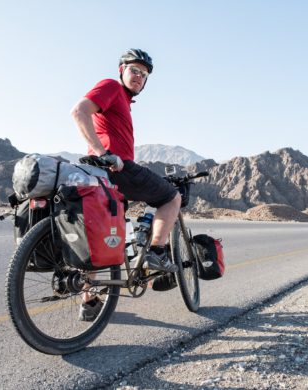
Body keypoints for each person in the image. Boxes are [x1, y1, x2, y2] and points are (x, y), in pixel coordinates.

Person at [71, 48, 181, 321]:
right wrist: (101, 151)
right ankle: (156, 251)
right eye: (134, 71)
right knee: (172, 197)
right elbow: (79, 111)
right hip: (114, 168)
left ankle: (89, 301)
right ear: (121, 71)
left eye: (144, 75)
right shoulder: (110, 87)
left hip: (100, 174)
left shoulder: (123, 101)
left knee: (101, 236)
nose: (139, 77)